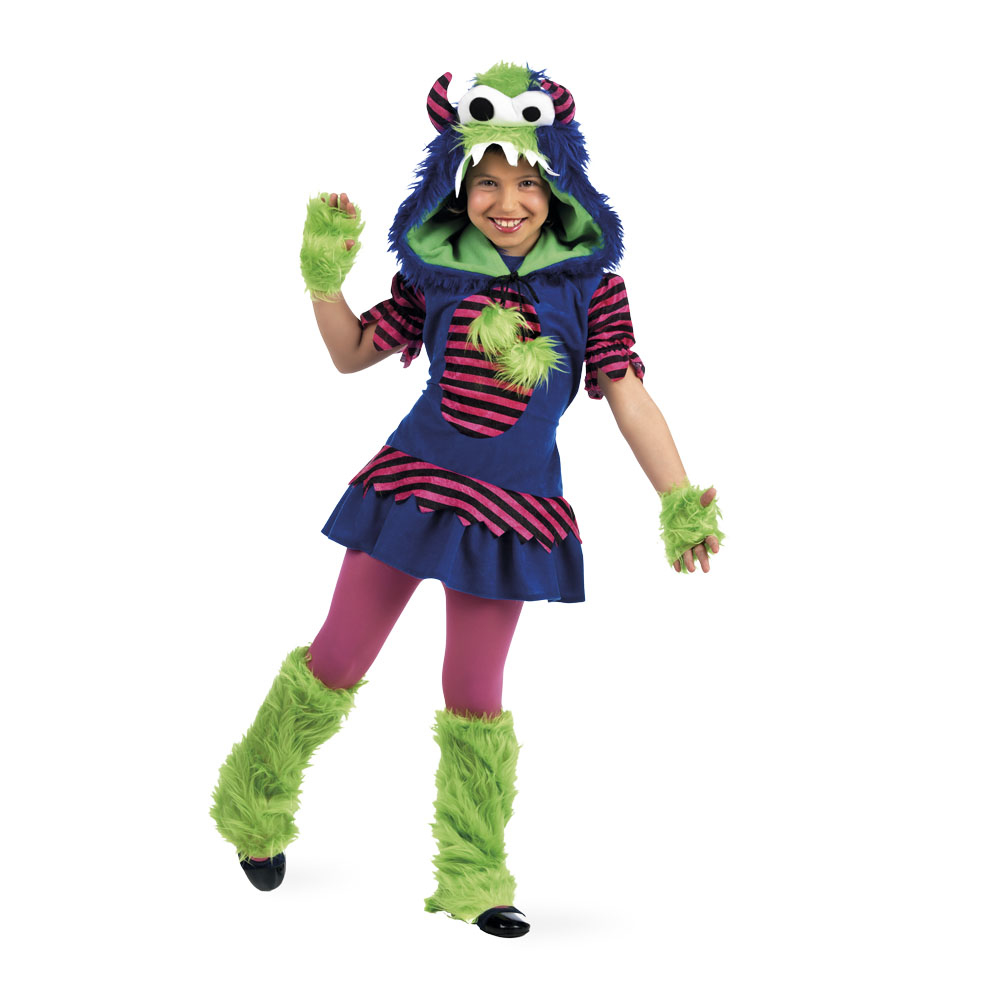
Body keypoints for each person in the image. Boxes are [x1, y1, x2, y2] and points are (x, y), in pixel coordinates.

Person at [210, 62, 724, 939]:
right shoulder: (439, 273)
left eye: (528, 182)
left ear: (559, 187)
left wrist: (679, 500)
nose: (507, 201)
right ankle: (253, 804)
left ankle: (475, 874)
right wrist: (323, 277)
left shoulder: (591, 285)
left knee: (476, 691)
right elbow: (351, 355)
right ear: (459, 186)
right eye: (486, 182)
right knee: (338, 656)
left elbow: (628, 393)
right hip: (410, 489)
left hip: (511, 515)